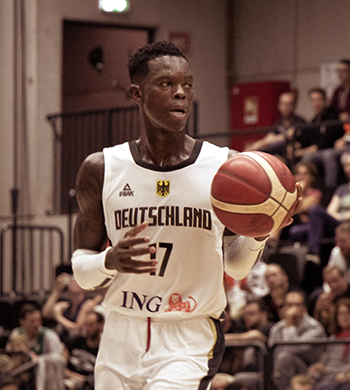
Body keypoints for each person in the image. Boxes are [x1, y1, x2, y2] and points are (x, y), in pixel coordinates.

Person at [70, 41, 298, 389]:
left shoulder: (224, 166)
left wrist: (260, 231)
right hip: (120, 332)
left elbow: (235, 266)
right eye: (166, 85)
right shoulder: (102, 169)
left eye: (187, 85)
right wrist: (111, 260)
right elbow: (84, 274)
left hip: (188, 333)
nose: (181, 94)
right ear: (137, 93)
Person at [308, 298, 350, 390]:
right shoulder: (333, 338)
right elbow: (323, 362)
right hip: (326, 377)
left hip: (344, 378)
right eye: (340, 314)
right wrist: (316, 369)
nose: (344, 317)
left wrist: (326, 370)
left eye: (347, 313)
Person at [270, 291, 327, 390]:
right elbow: (274, 353)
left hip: (310, 371)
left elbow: (292, 348)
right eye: (289, 305)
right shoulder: (276, 329)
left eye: (297, 305)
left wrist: (289, 324)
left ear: (304, 308)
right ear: (284, 308)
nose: (293, 309)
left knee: (285, 356)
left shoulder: (315, 328)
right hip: (282, 371)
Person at [42, 272, 97, 342]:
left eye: (76, 280)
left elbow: (77, 328)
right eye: (72, 280)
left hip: (78, 343)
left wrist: (58, 316)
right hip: (63, 341)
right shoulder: (66, 305)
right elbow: (46, 313)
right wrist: (57, 290)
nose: (73, 282)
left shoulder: (88, 304)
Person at [63, 311, 104, 390]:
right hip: (68, 379)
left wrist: (84, 380)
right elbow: (61, 364)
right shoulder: (75, 341)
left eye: (91, 325)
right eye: (86, 324)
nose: (87, 328)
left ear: (100, 325)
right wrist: (72, 376)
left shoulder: (103, 349)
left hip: (88, 385)